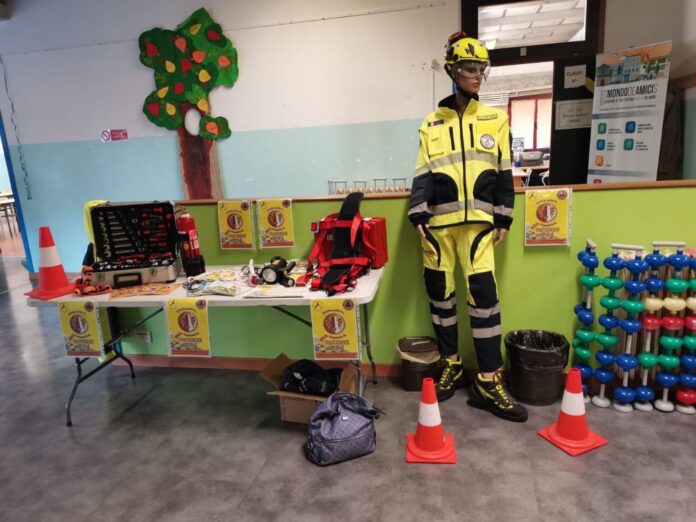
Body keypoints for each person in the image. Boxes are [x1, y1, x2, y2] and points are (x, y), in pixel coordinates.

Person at [408, 32, 527, 422]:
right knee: (440, 296)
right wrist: (418, 214)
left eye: (481, 69)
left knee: (484, 298)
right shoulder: (431, 123)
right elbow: (422, 173)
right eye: (470, 68)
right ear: (452, 70)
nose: (477, 76)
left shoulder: (496, 119)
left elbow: (504, 171)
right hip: (437, 226)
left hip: (479, 226)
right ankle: (452, 364)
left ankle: (488, 381)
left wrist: (504, 215)